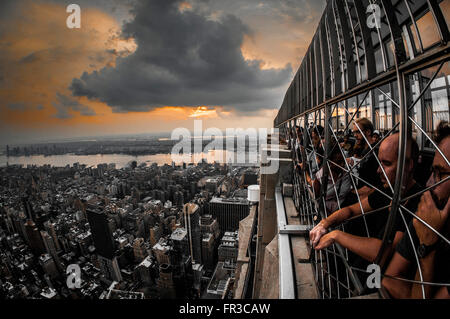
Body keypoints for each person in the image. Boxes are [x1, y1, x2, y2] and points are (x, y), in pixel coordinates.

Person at [309, 133, 422, 265]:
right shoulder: (387, 190)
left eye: (387, 163)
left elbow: (383, 252)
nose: (379, 170)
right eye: (379, 162)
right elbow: (352, 210)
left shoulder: (418, 202)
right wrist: (324, 223)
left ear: (408, 165)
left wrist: (336, 235)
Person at [382, 122, 450, 299]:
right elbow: (388, 280)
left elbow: (383, 252)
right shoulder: (428, 213)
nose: (429, 184)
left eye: (440, 173)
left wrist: (427, 249)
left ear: (410, 165)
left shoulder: (422, 209)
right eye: (432, 171)